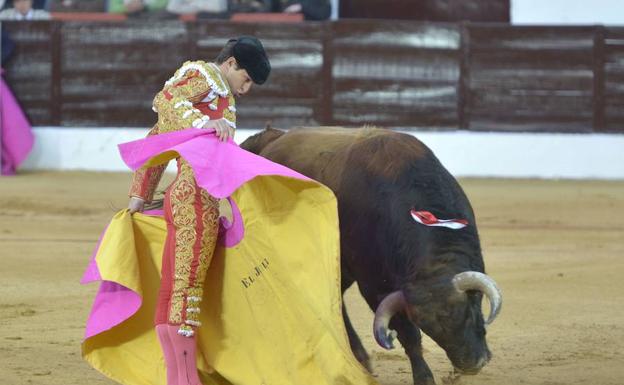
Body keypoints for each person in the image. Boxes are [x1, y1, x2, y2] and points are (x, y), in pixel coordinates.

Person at [126, 36, 270, 385]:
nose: (246, 89)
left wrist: (140, 194)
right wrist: (203, 125)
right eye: (246, 78)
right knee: (187, 294)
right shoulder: (204, 76)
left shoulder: (218, 94)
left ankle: (179, 380)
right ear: (232, 63)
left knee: (175, 292)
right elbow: (165, 101)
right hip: (196, 200)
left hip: (188, 197)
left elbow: (158, 134)